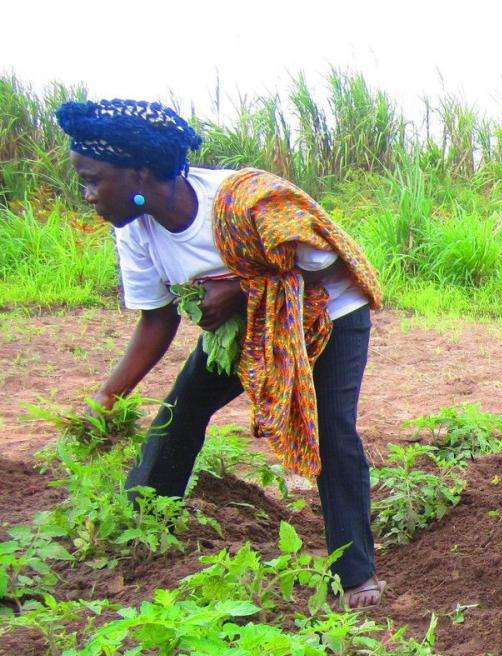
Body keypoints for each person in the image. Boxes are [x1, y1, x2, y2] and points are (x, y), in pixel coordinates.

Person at [56, 98, 386, 607]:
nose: (87, 194)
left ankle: (355, 575)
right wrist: (107, 396)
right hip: (247, 327)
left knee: (330, 429)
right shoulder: (137, 232)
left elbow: (324, 258)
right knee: (180, 411)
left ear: (140, 172)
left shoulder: (242, 200)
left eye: (94, 179)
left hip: (329, 313)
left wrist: (241, 284)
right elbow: (158, 318)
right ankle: (145, 530)